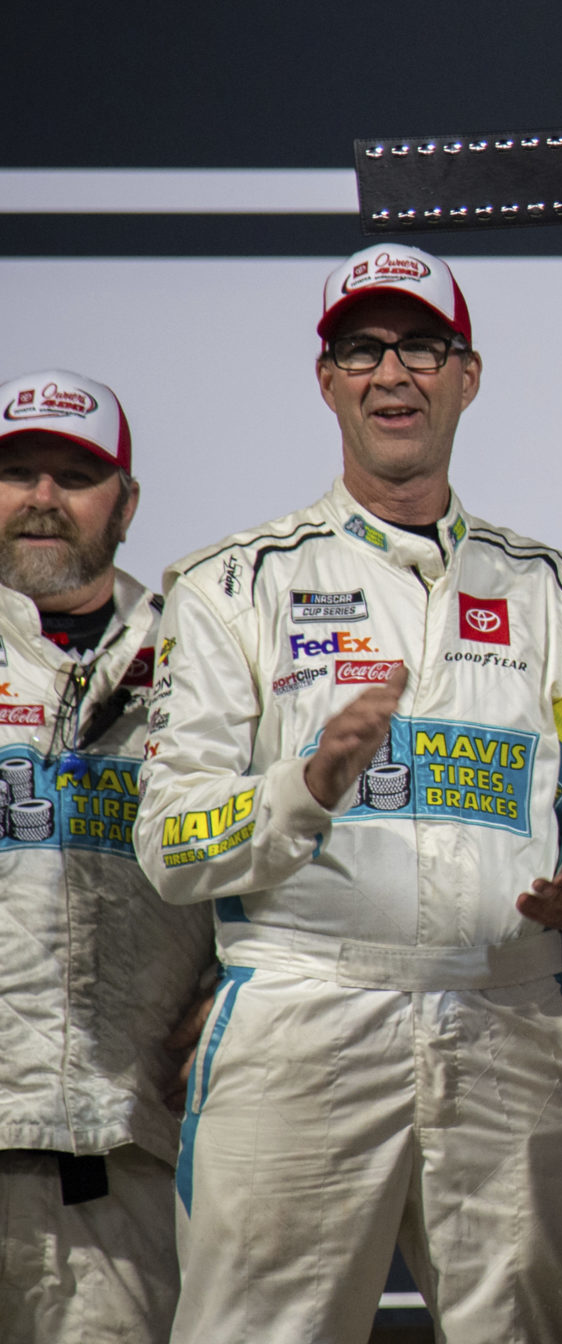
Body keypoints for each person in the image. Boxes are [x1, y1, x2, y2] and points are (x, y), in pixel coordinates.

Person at [135, 243, 562, 1343]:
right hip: (301, 1013)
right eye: (363, 349)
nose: (394, 373)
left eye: (421, 346)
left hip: (511, 1013)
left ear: (466, 375)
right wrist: (304, 785)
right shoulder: (234, 583)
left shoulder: (557, 594)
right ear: (326, 379)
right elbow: (170, 842)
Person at [0, 368, 210, 1340]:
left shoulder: (207, 656)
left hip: (128, 1154)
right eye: (17, 471)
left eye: (73, 475)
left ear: (125, 504)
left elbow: (288, 857)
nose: (42, 497)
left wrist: (252, 986)